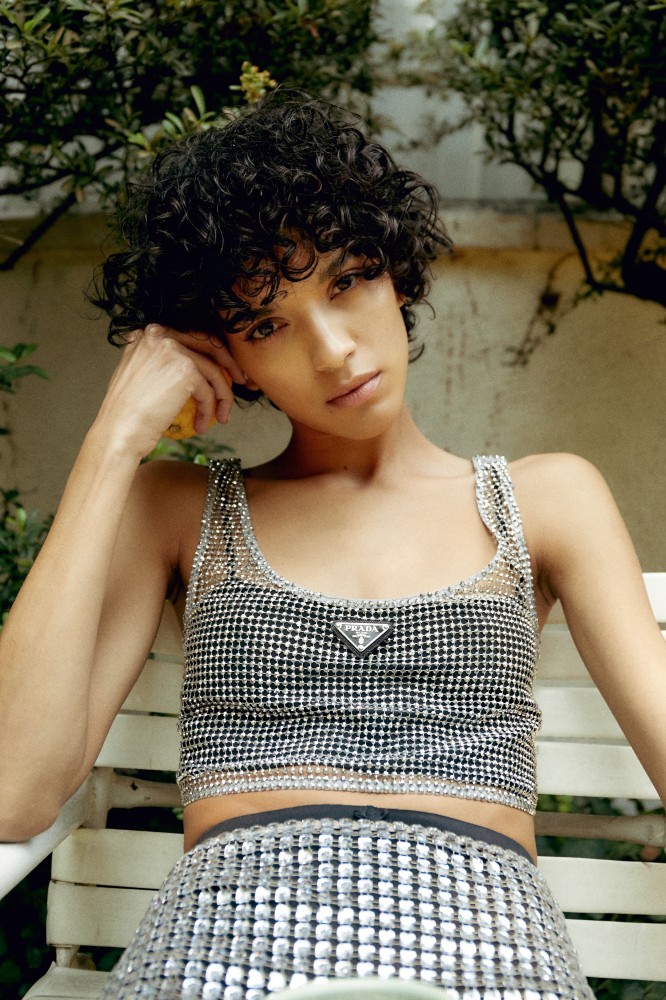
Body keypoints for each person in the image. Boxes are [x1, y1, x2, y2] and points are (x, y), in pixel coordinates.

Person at [0, 89, 664, 1000]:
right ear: (226, 357)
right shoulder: (176, 510)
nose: (333, 351)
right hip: (222, 950)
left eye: (347, 281)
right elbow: (14, 792)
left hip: (487, 951)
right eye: (266, 324)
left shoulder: (546, 500)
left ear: (397, 273)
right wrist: (113, 440)